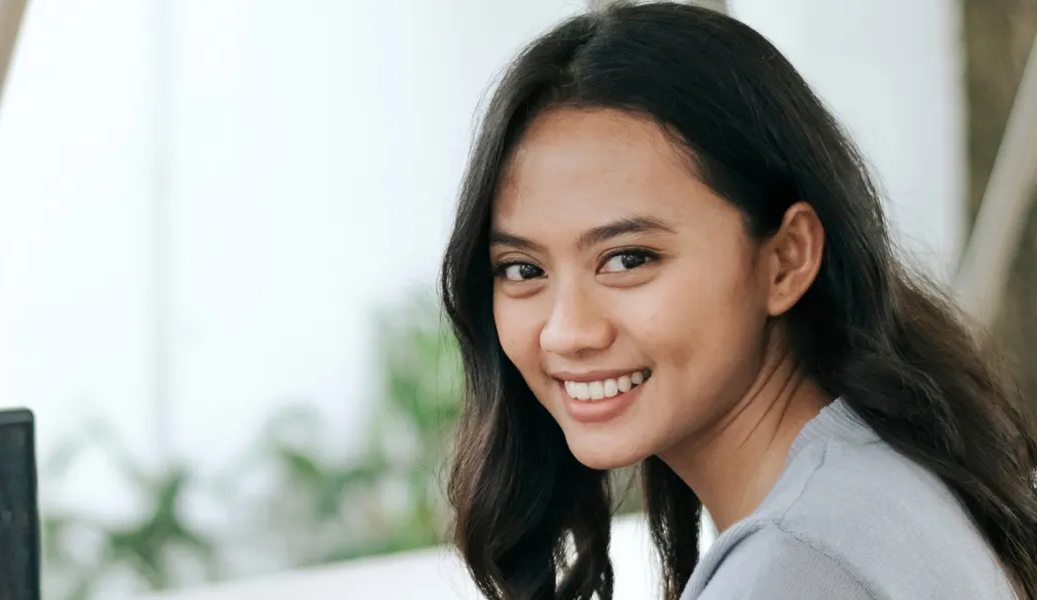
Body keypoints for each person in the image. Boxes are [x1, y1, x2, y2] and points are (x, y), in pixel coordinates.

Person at [438, 2, 1037, 599]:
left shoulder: (796, 563)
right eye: (523, 269)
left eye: (628, 259)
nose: (567, 332)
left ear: (786, 259)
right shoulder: (882, 477)